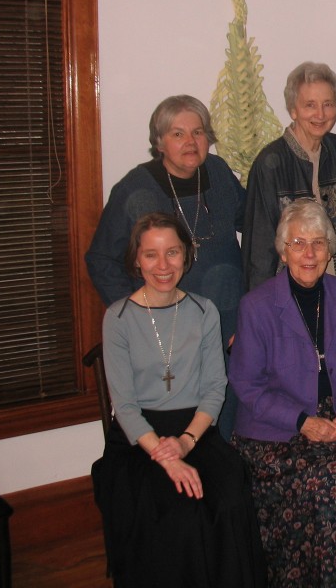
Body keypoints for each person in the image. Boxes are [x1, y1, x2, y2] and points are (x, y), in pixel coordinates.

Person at [91, 212, 266, 588]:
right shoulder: (117, 318)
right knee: (175, 511)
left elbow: (214, 389)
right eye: (151, 255)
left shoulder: (205, 311)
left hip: (195, 431)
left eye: (172, 252)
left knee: (230, 497)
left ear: (186, 256)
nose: (163, 265)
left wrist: (186, 443)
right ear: (136, 259)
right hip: (140, 440)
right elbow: (124, 407)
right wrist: (168, 460)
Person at [229, 199, 336, 587]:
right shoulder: (257, 306)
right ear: (283, 251)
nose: (310, 253)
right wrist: (301, 422)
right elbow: (246, 384)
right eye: (298, 243)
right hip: (277, 429)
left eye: (318, 242)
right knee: (324, 480)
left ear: (331, 249)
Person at [85, 95, 245, 439]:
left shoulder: (218, 172)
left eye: (199, 132)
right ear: (159, 142)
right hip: (168, 334)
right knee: (177, 429)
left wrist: (252, 311)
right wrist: (138, 315)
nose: (191, 141)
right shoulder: (135, 188)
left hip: (228, 324)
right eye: (178, 134)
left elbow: (256, 227)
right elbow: (100, 259)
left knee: (227, 422)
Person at [241, 61, 336, 291]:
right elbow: (259, 248)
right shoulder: (271, 163)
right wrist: (263, 306)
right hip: (288, 290)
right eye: (310, 105)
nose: (320, 114)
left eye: (328, 104)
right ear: (293, 109)